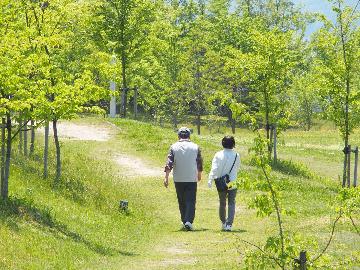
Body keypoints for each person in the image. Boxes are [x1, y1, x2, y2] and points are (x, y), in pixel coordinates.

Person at [164, 127, 203, 231]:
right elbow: (199, 162)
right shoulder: (195, 147)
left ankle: (184, 220)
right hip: (191, 177)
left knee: (181, 200)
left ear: (178, 136)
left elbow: (169, 163)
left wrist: (166, 177)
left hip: (178, 178)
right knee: (190, 200)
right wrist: (199, 174)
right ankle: (188, 221)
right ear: (189, 136)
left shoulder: (174, 147)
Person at [208, 136, 240, 231]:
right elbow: (238, 167)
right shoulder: (236, 155)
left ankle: (223, 222)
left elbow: (214, 168)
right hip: (232, 181)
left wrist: (210, 179)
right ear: (233, 144)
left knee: (222, 203)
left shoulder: (218, 154)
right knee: (231, 202)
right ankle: (229, 224)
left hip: (221, 182)